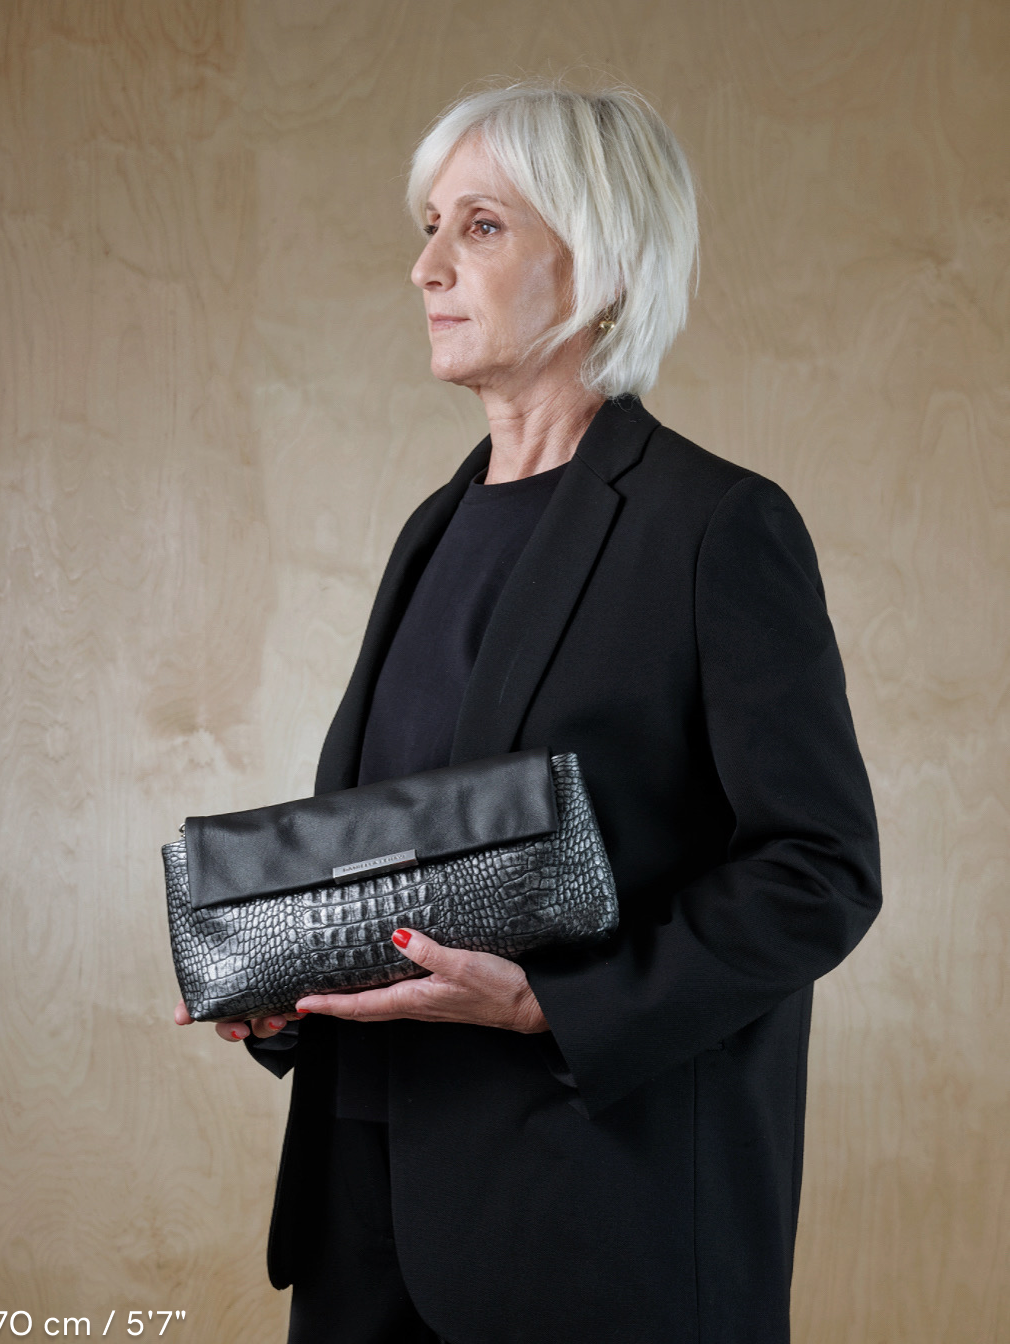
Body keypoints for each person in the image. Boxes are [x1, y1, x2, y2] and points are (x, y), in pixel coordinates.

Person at [172, 80, 881, 1344]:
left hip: (595, 1234)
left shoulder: (716, 526)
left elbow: (818, 870)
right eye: (430, 226)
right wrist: (290, 985)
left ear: (600, 265)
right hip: (361, 1225)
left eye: (481, 226)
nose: (427, 266)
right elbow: (412, 863)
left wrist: (554, 1003)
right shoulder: (433, 527)